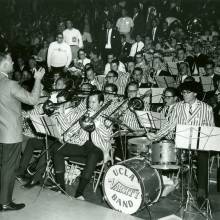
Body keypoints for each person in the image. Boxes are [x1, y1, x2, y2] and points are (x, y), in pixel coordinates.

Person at [147, 81, 214, 206]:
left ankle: (201, 193)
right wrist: (156, 136)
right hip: (181, 143)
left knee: (203, 156)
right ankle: (167, 183)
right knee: (163, 148)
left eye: (187, 93)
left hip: (199, 144)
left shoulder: (206, 108)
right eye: (183, 92)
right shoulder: (178, 106)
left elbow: (210, 129)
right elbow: (170, 124)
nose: (184, 95)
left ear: (195, 93)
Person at [0, 52, 45, 211]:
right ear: (4, 64)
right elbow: (33, 100)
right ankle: (4, 202)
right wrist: (38, 79)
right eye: (11, 61)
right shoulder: (10, 84)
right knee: (8, 168)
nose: (13, 64)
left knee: (2, 167)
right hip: (10, 135)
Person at [52, 91, 112, 200]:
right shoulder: (83, 113)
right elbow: (70, 129)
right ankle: (60, 187)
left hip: (98, 148)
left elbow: (107, 136)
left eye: (94, 102)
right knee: (57, 148)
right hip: (82, 144)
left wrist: (96, 123)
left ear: (101, 103)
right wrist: (61, 115)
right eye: (89, 102)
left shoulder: (106, 117)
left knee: (93, 155)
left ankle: (79, 192)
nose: (90, 105)